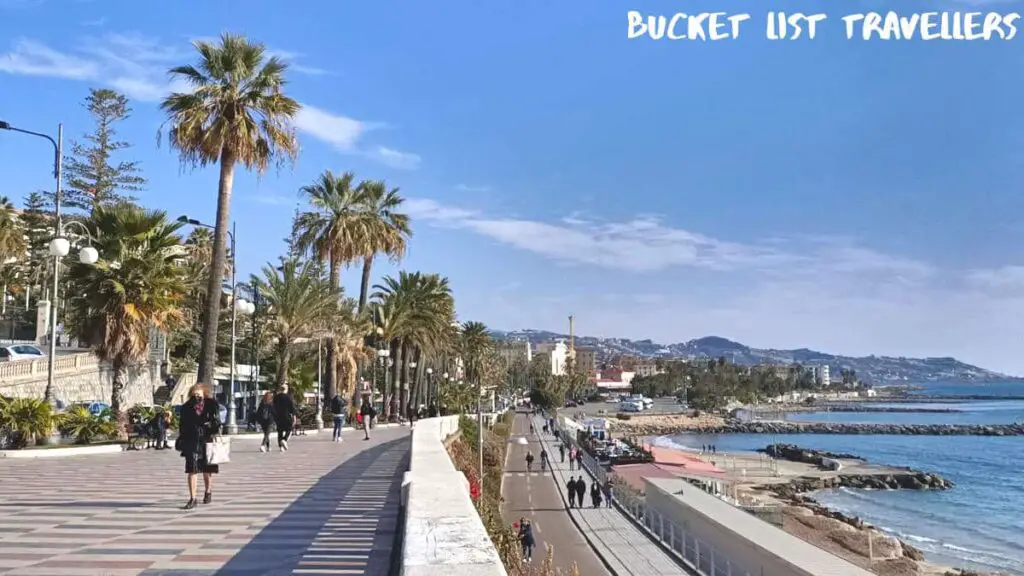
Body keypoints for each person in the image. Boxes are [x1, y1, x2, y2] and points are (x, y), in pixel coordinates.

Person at [177, 383, 221, 510]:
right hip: (191, 441)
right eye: (194, 395)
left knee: (207, 470)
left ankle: (208, 491)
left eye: (199, 395)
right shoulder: (186, 407)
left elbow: (217, 422)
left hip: (207, 440)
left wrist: (209, 426)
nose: (197, 397)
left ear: (204, 394)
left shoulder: (211, 404)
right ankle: (193, 498)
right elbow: (182, 424)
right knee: (192, 470)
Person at [272, 384, 296, 451]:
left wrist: (274, 416)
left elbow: (273, 407)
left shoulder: (276, 397)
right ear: (286, 389)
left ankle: (281, 447)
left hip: (278, 417)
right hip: (286, 416)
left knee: (280, 431)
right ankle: (284, 440)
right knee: (289, 429)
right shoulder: (289, 398)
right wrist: (294, 417)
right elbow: (292, 409)